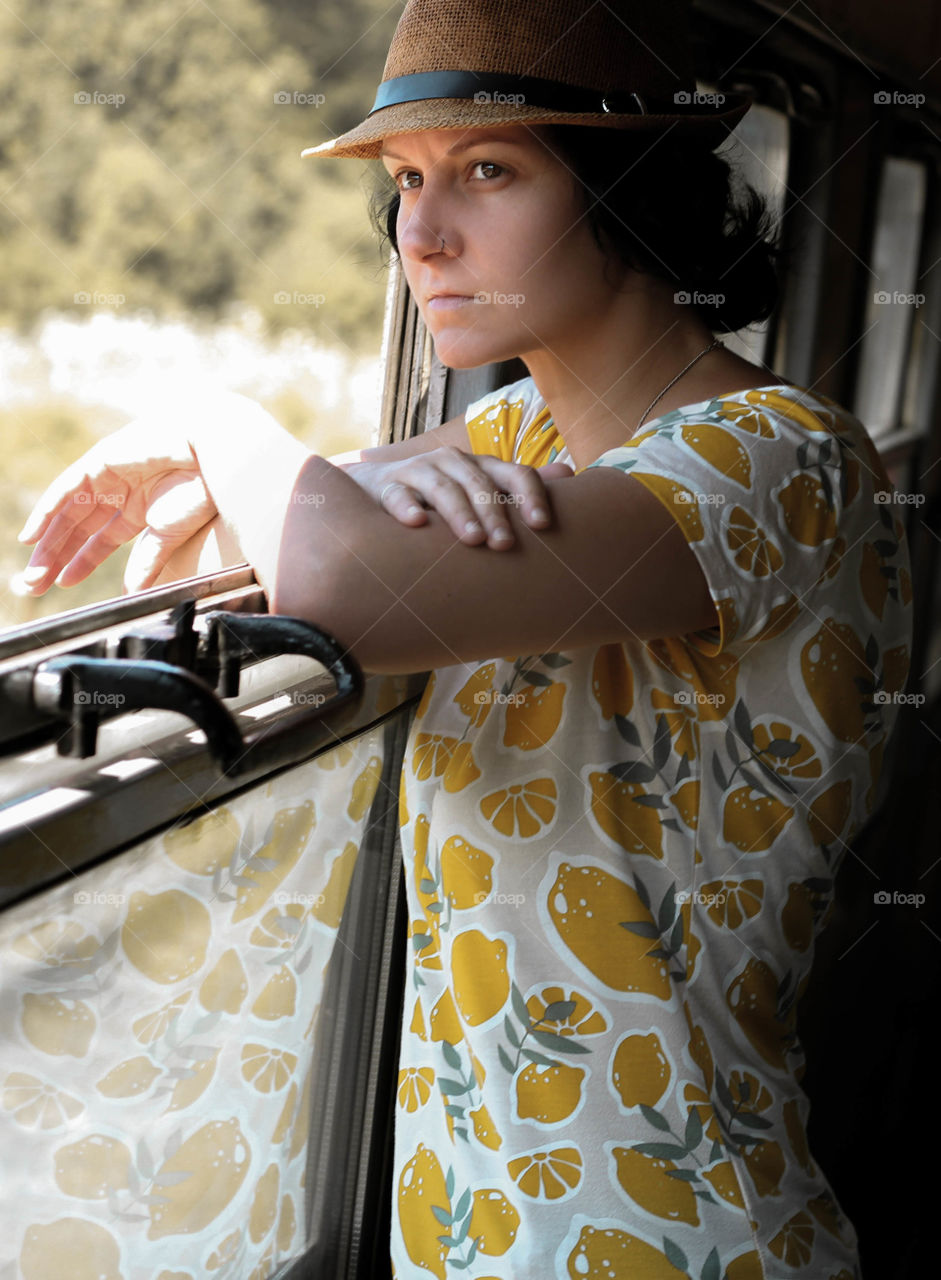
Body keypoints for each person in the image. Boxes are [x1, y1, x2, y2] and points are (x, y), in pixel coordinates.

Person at [14, 1, 913, 1276]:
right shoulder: (517, 446)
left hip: (673, 1238)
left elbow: (340, 581)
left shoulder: (778, 455)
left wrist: (216, 417)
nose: (420, 236)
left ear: (630, 185)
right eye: (404, 181)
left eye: (487, 171)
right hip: (478, 1229)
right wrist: (320, 490)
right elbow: (334, 507)